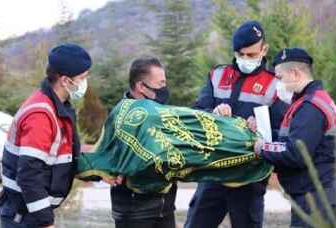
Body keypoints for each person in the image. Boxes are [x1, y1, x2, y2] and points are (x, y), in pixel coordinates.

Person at [185, 20, 287, 228]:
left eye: (250, 55)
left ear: (263, 49)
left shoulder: (276, 85)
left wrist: (261, 128)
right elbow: (195, 114)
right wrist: (213, 113)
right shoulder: (217, 75)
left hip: (249, 177)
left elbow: (282, 133)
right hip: (213, 172)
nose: (245, 59)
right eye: (240, 55)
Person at [0, 43, 92, 228]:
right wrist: (45, 222)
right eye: (83, 77)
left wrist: (99, 172)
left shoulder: (58, 107)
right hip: (25, 218)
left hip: (30, 215)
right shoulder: (41, 115)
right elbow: (28, 175)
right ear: (66, 80)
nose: (86, 81)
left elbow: (64, 157)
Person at [252, 48, 336, 227]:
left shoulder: (310, 107)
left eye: (279, 77)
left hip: (317, 202)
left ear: (295, 73)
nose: (277, 84)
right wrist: (264, 131)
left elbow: (296, 152)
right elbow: (295, 139)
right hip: (316, 199)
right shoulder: (310, 101)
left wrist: (262, 148)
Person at [110, 56, 176, 228]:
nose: (164, 89)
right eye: (160, 84)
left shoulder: (161, 113)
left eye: (165, 83)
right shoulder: (121, 118)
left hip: (165, 210)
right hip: (135, 214)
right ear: (141, 87)